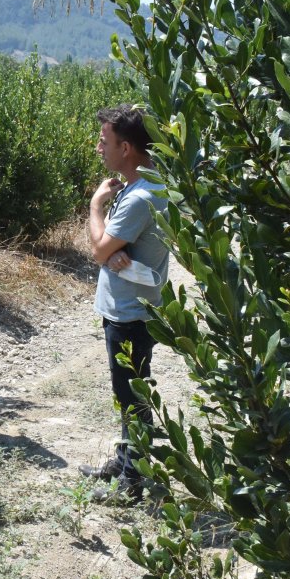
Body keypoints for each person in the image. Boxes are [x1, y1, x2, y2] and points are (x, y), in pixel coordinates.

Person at [81, 103, 170, 497]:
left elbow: (100, 249)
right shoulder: (143, 187)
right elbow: (107, 250)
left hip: (130, 314)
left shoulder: (138, 198)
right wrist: (109, 250)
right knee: (129, 391)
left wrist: (95, 206)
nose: (99, 147)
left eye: (105, 141)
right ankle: (127, 458)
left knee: (132, 395)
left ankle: (132, 481)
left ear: (127, 148)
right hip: (130, 309)